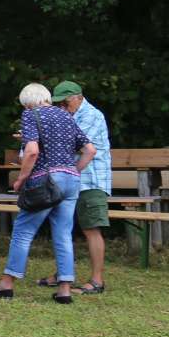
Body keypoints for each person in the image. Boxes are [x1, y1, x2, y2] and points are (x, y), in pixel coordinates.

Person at [0, 84, 96, 302]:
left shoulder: (31, 114)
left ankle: (6, 284)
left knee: (23, 231)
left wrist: (22, 178)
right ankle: (64, 289)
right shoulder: (66, 116)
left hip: (46, 179)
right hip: (71, 180)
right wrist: (73, 171)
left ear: (28, 102)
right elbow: (90, 150)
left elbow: (32, 151)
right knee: (63, 234)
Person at [43, 81, 111, 292]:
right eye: (58, 104)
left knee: (91, 229)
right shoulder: (69, 115)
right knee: (63, 227)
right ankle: (63, 274)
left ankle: (97, 281)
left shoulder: (92, 115)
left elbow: (76, 144)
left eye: (64, 103)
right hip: (71, 179)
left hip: (91, 180)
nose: (61, 107)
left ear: (77, 97)